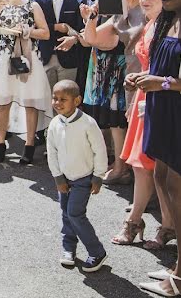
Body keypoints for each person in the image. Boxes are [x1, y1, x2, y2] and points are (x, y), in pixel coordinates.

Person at [112, 0, 175, 247]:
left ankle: (150, 223)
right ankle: (152, 223)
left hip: (159, 98)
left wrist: (146, 86)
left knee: (155, 167)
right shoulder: (154, 24)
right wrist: (136, 84)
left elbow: (168, 71)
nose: (146, 0)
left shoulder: (170, 26)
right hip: (144, 96)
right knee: (143, 166)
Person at [132, 0, 181, 295]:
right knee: (162, 180)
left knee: (178, 191)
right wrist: (141, 79)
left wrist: (160, 83)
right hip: (162, 110)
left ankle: (180, 276)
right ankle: (177, 266)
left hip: (177, 112)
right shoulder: (168, 19)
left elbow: (173, 80)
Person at [78, 0, 146, 185]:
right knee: (127, 124)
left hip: (145, 72)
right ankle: (126, 170)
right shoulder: (120, 13)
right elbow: (92, 38)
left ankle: (134, 174)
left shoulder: (151, 10)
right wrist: (92, 17)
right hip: (131, 74)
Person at [0, 0, 52, 164]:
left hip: (28, 57)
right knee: (3, 101)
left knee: (30, 102)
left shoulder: (32, 5)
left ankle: (29, 145)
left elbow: (46, 33)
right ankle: (0, 144)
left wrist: (28, 31)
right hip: (5, 57)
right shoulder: (0, 7)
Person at [47, 80, 109, 273]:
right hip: (64, 178)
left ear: (77, 100)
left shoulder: (88, 123)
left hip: (84, 178)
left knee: (75, 214)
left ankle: (97, 251)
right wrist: (58, 177)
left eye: (63, 99)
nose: (57, 103)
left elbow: (100, 150)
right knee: (66, 214)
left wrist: (98, 176)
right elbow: (52, 152)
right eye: (54, 98)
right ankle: (68, 249)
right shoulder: (54, 124)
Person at [35, 0, 83, 91]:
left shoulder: (75, 3)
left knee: (66, 93)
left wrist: (73, 38)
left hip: (68, 56)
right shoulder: (39, 1)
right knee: (46, 96)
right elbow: (34, 26)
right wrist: (55, 27)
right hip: (46, 54)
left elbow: (80, 29)